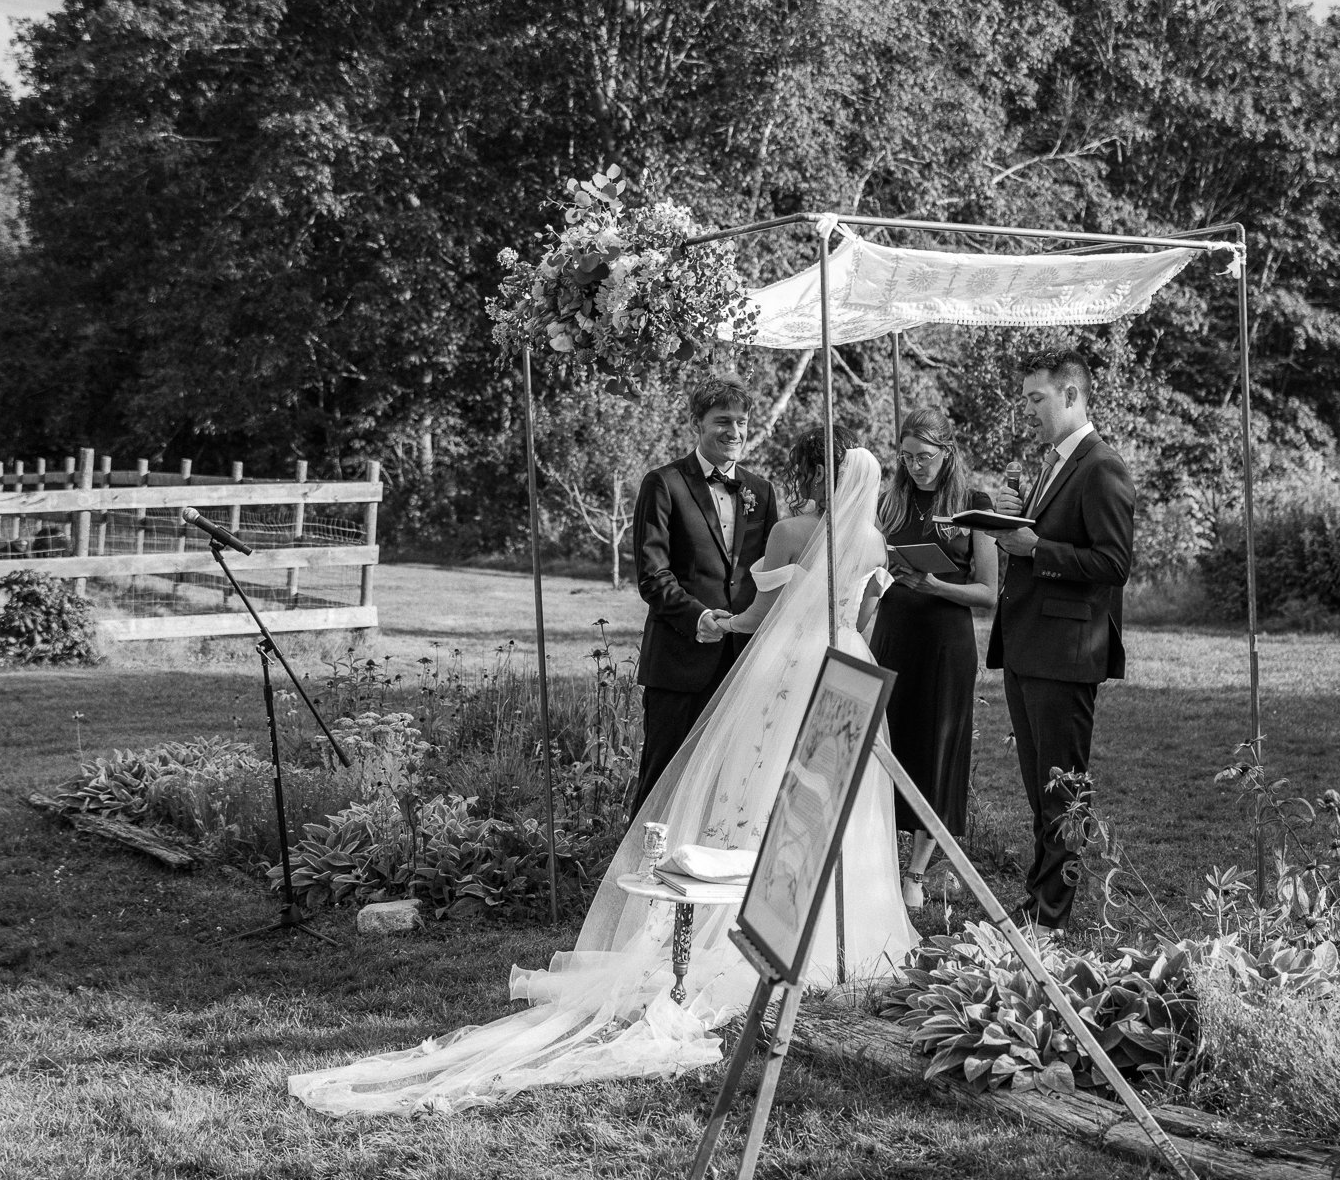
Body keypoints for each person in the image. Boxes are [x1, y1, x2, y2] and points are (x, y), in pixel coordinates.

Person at [287, 438, 913, 1116]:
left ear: (817, 476)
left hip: (787, 667)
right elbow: (866, 617)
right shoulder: (877, 544)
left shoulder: (793, 531)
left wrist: (727, 621)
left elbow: (760, 616)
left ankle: (731, 912)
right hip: (847, 670)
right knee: (834, 800)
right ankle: (835, 926)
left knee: (751, 784)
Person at [982, 351, 1135, 932]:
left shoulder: (1102, 467)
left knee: (1063, 790)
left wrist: (1034, 550)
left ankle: (1051, 915)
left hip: (1066, 653)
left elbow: (1114, 563)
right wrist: (1009, 526)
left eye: (1035, 399)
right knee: (1039, 786)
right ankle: (1039, 899)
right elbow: (1043, 536)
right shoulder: (1052, 462)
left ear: (1071, 395)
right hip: (1028, 647)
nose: (1029, 411)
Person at [629, 380, 779, 819]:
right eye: (723, 421)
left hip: (743, 663)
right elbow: (652, 576)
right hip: (680, 659)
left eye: (742, 422)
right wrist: (700, 618)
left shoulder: (761, 491)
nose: (735, 431)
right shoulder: (663, 484)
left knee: (729, 781)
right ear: (697, 424)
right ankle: (644, 876)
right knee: (663, 778)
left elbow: (768, 574)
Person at [869, 408, 997, 910]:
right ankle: (877, 856)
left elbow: (988, 593)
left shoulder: (972, 504)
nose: (915, 466)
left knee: (935, 751)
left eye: (924, 457)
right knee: (888, 744)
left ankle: (917, 873)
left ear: (948, 453)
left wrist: (937, 583)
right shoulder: (890, 502)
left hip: (946, 641)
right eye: (906, 457)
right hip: (894, 634)